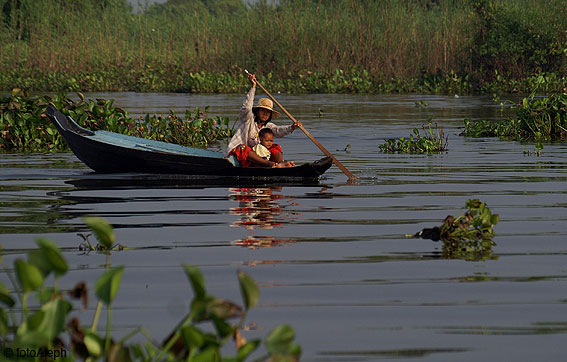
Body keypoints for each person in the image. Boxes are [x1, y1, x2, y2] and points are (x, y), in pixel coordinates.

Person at [226, 72, 302, 168]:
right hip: (242, 157)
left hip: (259, 158)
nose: (265, 113)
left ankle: (280, 165)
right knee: (242, 147)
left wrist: (292, 127)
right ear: (257, 111)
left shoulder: (268, 126)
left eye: (268, 112)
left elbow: (279, 131)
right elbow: (247, 108)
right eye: (263, 110)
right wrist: (253, 87)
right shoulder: (248, 120)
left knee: (275, 146)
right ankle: (270, 164)